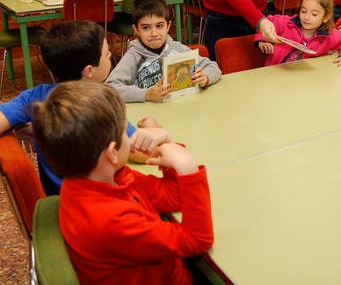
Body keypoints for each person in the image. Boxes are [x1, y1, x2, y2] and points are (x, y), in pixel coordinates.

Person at [32, 81, 213, 284]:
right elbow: (198, 240)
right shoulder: (110, 221)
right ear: (112, 153)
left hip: (168, 269)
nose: (131, 135)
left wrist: (167, 144)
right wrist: (187, 166)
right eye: (125, 130)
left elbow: (174, 199)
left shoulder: (104, 177)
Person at [0, 20, 170, 195]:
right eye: (107, 54)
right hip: (100, 204)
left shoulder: (36, 96)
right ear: (89, 71)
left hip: (62, 201)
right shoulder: (100, 103)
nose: (110, 57)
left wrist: (41, 125)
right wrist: (152, 128)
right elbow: (142, 154)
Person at [106, 0, 221, 102]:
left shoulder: (178, 49)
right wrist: (145, 94)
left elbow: (214, 67)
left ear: (168, 26)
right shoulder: (133, 56)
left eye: (159, 26)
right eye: (146, 28)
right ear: (136, 30)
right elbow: (110, 89)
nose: (154, 33)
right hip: (149, 114)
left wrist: (205, 77)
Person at [255, 0, 341, 67]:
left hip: (306, 79)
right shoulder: (286, 23)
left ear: (326, 17)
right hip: (275, 73)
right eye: (303, 11)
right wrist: (262, 40)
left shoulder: (329, 35)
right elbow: (265, 23)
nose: (306, 17)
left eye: (314, 14)